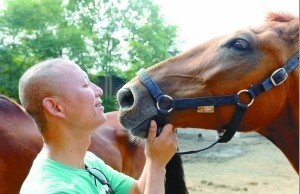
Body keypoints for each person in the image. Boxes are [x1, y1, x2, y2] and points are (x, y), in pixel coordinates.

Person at [19, 58, 178, 194]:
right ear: (55, 107)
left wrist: (154, 158)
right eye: (85, 85)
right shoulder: (54, 189)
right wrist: (157, 165)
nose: (99, 90)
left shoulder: (87, 161)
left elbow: (137, 190)